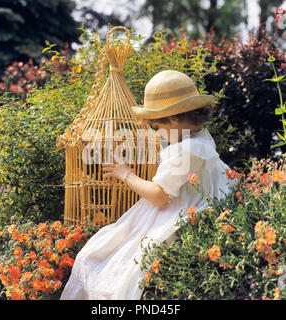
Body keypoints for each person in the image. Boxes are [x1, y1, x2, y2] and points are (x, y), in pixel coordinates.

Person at [60, 70, 238, 300]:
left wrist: (126, 174)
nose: (158, 133)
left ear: (173, 119)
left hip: (175, 214)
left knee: (100, 257)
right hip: (194, 205)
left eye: (158, 126)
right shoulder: (201, 138)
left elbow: (160, 195)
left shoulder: (183, 150)